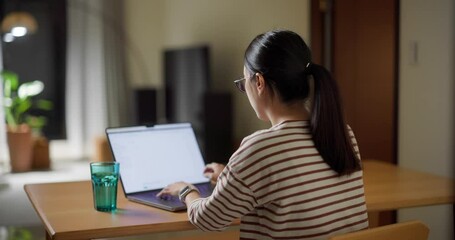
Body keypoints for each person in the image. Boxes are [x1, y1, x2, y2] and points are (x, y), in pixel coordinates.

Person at [157, 29, 369, 239]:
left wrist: (186, 191)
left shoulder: (262, 147)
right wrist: (229, 176)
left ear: (259, 82)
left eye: (244, 83)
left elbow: (208, 219)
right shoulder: (342, 134)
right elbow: (288, 184)